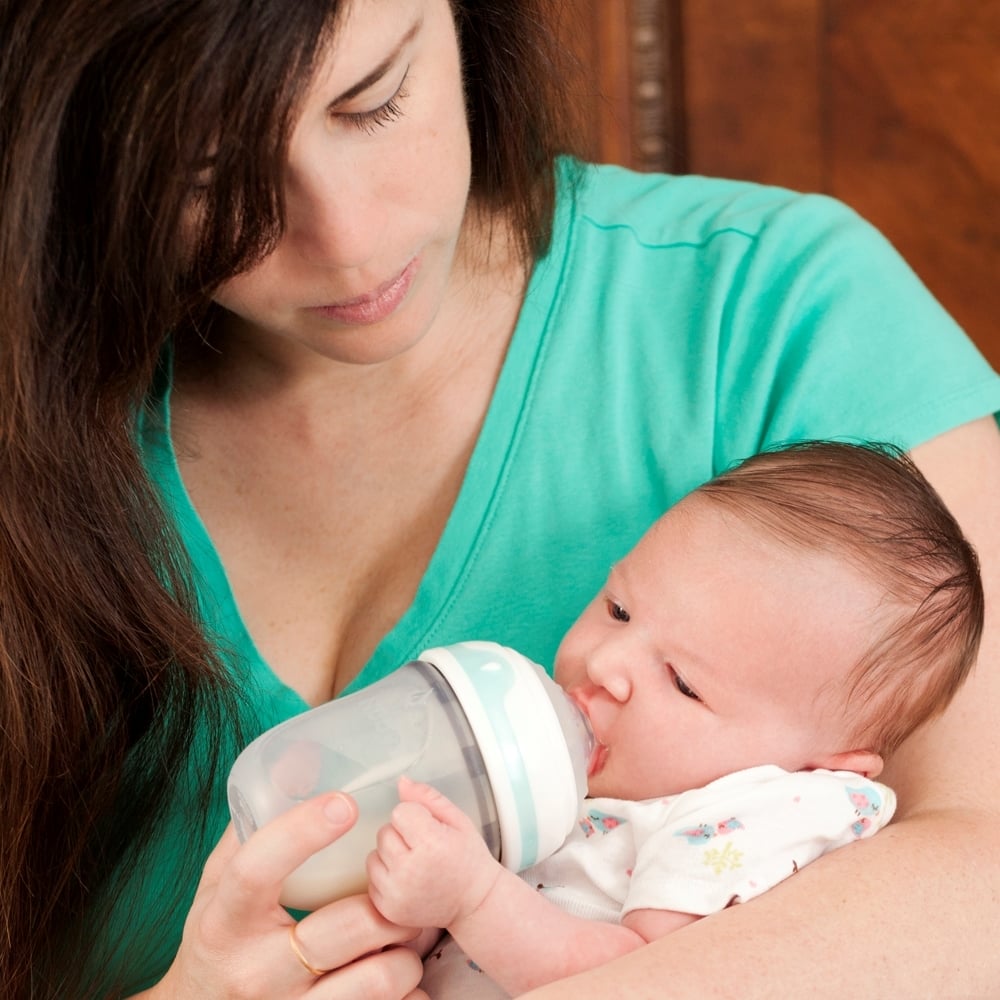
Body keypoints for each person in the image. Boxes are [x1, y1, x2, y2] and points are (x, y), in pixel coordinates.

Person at [2, 0, 1000, 997]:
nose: (348, 241)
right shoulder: (33, 429)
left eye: (375, 98)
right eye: (208, 174)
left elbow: (980, 880)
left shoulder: (773, 312)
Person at [366, 441, 983, 997]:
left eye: (684, 683)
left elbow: (636, 973)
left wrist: (471, 896)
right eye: (618, 609)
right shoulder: (581, 770)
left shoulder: (739, 817)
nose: (606, 663)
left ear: (818, 767)